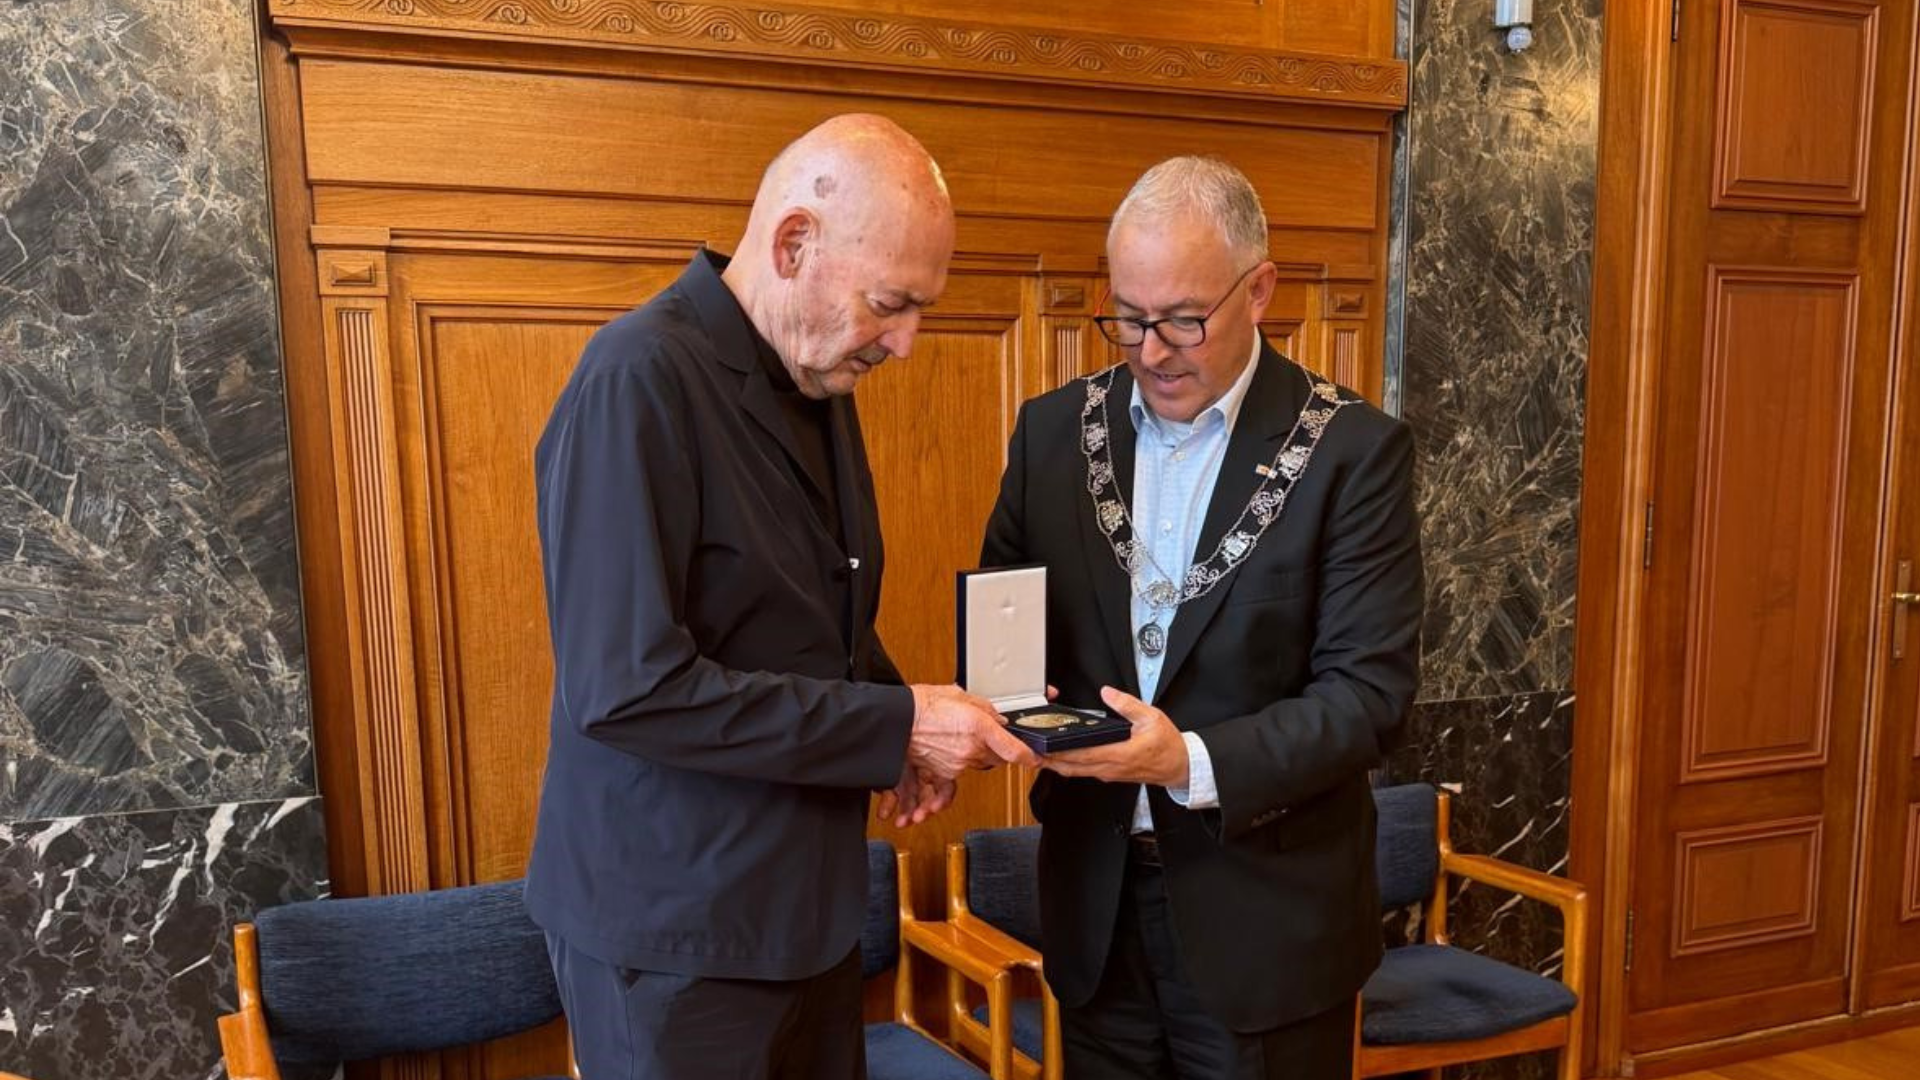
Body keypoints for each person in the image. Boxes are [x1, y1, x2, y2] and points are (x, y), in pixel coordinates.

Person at [526, 113, 1037, 1080]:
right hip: (675, 938)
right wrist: (894, 725)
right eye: (891, 303)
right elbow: (627, 689)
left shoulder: (814, 373)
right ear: (795, 243)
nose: (907, 342)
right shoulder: (636, 377)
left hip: (806, 914)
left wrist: (900, 724)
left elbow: (808, 619)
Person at [979, 155, 1424, 1078]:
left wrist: (1186, 761)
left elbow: (1367, 699)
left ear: (1259, 290)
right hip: (1095, 915)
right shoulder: (1053, 433)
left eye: (1184, 319)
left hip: (1269, 929)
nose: (1152, 350)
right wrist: (992, 708)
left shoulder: (1350, 453)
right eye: (1128, 317)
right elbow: (1005, 629)